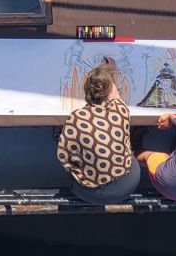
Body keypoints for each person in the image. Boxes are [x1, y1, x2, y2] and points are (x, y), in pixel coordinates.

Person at [57, 59, 141, 204]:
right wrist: (107, 72)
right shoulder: (121, 110)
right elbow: (115, 95)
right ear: (111, 89)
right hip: (127, 184)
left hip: (91, 193)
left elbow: (64, 157)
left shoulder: (76, 118)